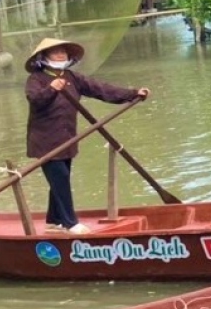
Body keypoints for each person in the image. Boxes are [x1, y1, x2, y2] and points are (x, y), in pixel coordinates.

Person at [23, 38, 149, 235]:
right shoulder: (36, 79)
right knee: (61, 178)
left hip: (67, 139)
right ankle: (69, 222)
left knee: (60, 179)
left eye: (63, 52)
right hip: (45, 141)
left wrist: (132, 93)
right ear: (43, 57)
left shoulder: (73, 77)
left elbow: (101, 89)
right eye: (55, 52)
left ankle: (54, 219)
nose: (60, 55)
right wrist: (52, 88)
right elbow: (35, 100)